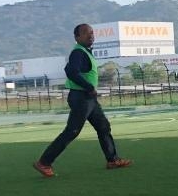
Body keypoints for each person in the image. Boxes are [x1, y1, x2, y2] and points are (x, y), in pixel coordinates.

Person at [33, 24, 132, 177]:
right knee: (72, 131)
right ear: (77, 37)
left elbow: (68, 69)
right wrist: (88, 87)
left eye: (92, 32)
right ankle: (44, 162)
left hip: (88, 98)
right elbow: (71, 72)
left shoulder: (84, 52)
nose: (90, 35)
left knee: (103, 127)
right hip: (81, 98)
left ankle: (112, 160)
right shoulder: (78, 52)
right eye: (86, 33)